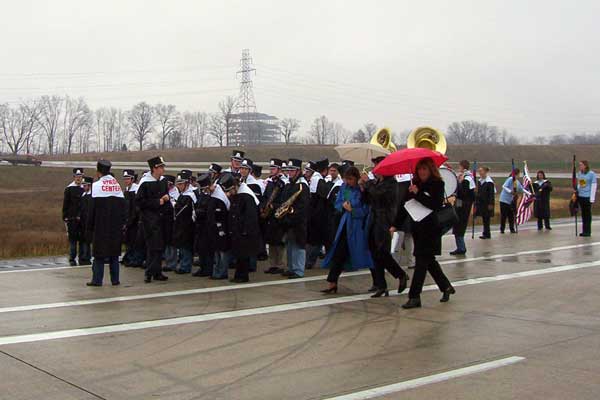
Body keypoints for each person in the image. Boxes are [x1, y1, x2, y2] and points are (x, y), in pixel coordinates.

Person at [393, 158, 455, 309]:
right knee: (429, 261)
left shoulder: (437, 184)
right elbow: (404, 206)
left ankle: (414, 296)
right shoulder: (414, 184)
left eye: (424, 169)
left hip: (431, 229)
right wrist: (395, 224)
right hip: (417, 228)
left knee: (421, 262)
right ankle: (446, 286)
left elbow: (434, 204)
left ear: (431, 170)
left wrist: (418, 193)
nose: (421, 172)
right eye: (419, 169)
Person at [321, 166, 373, 293]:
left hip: (357, 227)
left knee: (367, 254)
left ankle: (378, 281)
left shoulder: (362, 190)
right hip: (344, 224)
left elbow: (366, 210)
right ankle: (332, 282)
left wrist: (353, 210)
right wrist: (343, 207)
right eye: (346, 179)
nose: (347, 181)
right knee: (338, 252)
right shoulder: (344, 188)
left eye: (350, 179)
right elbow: (338, 202)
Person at [364, 157, 408, 297]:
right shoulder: (377, 182)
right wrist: (364, 187)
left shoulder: (391, 183)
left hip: (384, 220)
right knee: (374, 253)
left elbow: (378, 194)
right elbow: (367, 199)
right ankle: (381, 285)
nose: (375, 170)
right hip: (374, 219)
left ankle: (400, 274)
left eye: (377, 166)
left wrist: (368, 183)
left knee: (382, 252)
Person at [85, 160, 126, 287]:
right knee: (114, 254)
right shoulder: (117, 186)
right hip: (115, 226)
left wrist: (89, 227)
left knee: (99, 255)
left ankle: (97, 280)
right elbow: (123, 207)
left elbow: (92, 209)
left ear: (98, 172)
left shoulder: (96, 186)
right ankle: (115, 280)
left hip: (100, 226)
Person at [136, 156, 171, 283]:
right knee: (153, 246)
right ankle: (149, 272)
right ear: (154, 169)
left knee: (160, 246)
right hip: (150, 219)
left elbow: (166, 196)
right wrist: (158, 202)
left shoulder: (163, 181)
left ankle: (157, 271)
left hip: (162, 218)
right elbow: (140, 202)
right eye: (160, 167)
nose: (163, 169)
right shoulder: (145, 182)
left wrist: (166, 198)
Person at [280, 159, 310, 279]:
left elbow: (304, 206)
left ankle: (298, 270)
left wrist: (293, 214)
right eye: (289, 170)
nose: (290, 173)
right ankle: (291, 268)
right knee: (290, 245)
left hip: (298, 221)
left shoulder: (302, 186)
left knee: (298, 245)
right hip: (288, 220)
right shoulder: (289, 184)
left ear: (298, 171)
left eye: (292, 170)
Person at [229, 176, 261, 283]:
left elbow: (250, 216)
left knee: (243, 255)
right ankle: (238, 274)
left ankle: (243, 276)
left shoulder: (247, 196)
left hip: (245, 231)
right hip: (237, 230)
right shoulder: (237, 196)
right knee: (239, 255)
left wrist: (245, 230)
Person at [262, 159, 288, 274]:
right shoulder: (271, 183)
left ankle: (280, 265)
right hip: (269, 216)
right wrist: (263, 206)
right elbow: (265, 196)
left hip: (278, 215)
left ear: (279, 170)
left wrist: (274, 206)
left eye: (273, 168)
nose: (271, 170)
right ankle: (272, 264)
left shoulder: (283, 184)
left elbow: (285, 201)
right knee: (271, 241)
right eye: (271, 168)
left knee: (279, 242)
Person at [208, 173, 234, 280]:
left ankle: (222, 272)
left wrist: (221, 229)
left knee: (222, 252)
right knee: (217, 252)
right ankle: (217, 271)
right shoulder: (215, 196)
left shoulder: (219, 198)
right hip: (216, 228)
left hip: (222, 228)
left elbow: (221, 215)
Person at [305, 159, 330, 269]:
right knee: (315, 240)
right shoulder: (320, 181)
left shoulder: (315, 180)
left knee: (313, 240)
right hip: (317, 215)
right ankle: (309, 261)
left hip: (314, 213)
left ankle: (309, 260)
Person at [173, 170, 197, 274]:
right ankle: (184, 264)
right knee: (182, 245)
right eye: (178, 184)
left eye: (181, 183)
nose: (178, 186)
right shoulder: (183, 194)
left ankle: (185, 266)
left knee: (186, 246)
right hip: (181, 224)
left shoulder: (190, 195)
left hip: (187, 225)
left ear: (187, 183)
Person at [450, 160, 476, 255]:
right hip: (462, 204)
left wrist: (459, 183)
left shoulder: (466, 179)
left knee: (459, 225)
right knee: (458, 225)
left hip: (463, 205)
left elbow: (464, 193)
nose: (459, 168)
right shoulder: (467, 178)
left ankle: (461, 247)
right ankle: (460, 246)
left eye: (460, 166)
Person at [193, 173, 214, 277]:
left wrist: (198, 212)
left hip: (207, 225)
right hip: (200, 225)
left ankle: (208, 268)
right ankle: (203, 267)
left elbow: (208, 210)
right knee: (201, 248)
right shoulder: (203, 195)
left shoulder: (211, 196)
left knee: (207, 249)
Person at [63, 168, 85, 266]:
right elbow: (65, 204)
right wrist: (65, 216)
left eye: (80, 177)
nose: (78, 179)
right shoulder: (69, 189)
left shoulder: (85, 188)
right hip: (72, 219)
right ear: (74, 177)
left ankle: (82, 257)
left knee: (82, 240)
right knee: (73, 240)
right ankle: (72, 258)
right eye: (77, 177)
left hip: (83, 219)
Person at [121, 169, 141, 267]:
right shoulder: (127, 190)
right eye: (124, 179)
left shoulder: (135, 190)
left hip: (134, 221)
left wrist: (131, 220)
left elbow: (136, 208)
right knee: (128, 240)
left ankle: (135, 259)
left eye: (128, 178)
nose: (126, 181)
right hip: (128, 220)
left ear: (132, 179)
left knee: (134, 241)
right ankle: (129, 258)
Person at [499, 168, 525, 234]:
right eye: (519, 173)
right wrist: (510, 191)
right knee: (504, 215)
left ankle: (512, 229)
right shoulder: (510, 179)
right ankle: (502, 229)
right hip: (504, 200)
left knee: (511, 215)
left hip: (511, 201)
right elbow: (504, 186)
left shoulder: (517, 182)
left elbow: (522, 190)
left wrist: (530, 194)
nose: (519, 175)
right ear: (517, 173)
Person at [162, 175, 178, 272]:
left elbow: (175, 205)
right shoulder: (165, 192)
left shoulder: (175, 193)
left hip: (173, 220)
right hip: (165, 220)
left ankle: (172, 263)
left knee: (172, 243)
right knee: (167, 242)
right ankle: (168, 261)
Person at [577, 160, 597, 237]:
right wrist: (577, 191)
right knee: (583, 214)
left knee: (587, 214)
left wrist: (592, 198)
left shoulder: (591, 174)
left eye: (581, 165)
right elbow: (581, 184)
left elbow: (593, 186)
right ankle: (584, 230)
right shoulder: (580, 174)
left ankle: (588, 231)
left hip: (587, 197)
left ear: (585, 165)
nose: (580, 167)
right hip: (581, 196)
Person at [476, 166, 495, 239]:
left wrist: (491, 203)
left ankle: (487, 234)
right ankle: (485, 233)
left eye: (481, 171)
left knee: (487, 219)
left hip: (487, 203)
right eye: (479, 171)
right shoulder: (480, 181)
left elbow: (491, 194)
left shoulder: (489, 182)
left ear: (485, 172)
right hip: (481, 203)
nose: (480, 173)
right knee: (484, 218)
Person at [78, 176, 93, 266]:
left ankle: (87, 257)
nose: (83, 187)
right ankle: (83, 256)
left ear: (89, 185)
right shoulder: (83, 195)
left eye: (85, 185)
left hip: (88, 222)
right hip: (82, 222)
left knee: (87, 240)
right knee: (83, 240)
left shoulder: (91, 196)